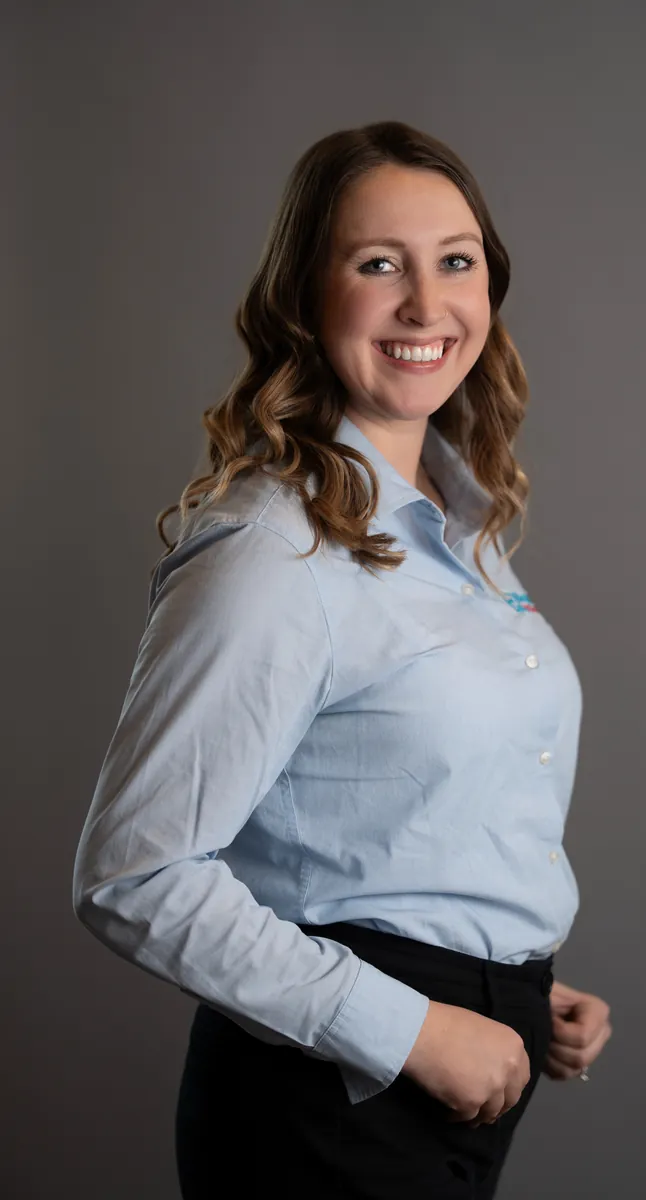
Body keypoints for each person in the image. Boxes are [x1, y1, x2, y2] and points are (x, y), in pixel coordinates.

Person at [72, 119, 612, 1199]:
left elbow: (380, 819)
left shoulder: (454, 524)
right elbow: (134, 873)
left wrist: (511, 979)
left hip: (450, 1059)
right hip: (326, 1100)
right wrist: (413, 1025)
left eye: (454, 261)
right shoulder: (273, 549)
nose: (425, 304)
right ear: (302, 300)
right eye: (377, 265)